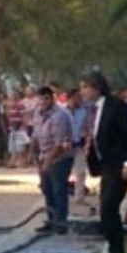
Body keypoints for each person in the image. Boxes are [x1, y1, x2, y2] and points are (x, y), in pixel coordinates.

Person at [81, 71, 127, 253]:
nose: (82, 91)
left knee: (109, 207)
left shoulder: (116, 106)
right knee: (105, 210)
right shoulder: (93, 110)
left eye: (85, 87)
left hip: (121, 165)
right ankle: (113, 251)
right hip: (107, 165)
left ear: (96, 87)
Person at [33, 86, 75, 234]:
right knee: (47, 189)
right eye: (41, 98)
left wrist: (48, 162)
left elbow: (59, 143)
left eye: (46, 98)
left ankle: (61, 222)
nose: (43, 101)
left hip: (60, 157)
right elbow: (35, 136)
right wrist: (36, 157)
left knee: (59, 189)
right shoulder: (37, 114)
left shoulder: (60, 115)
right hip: (44, 155)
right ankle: (51, 220)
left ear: (52, 98)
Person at [66, 88, 91, 205]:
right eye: (77, 97)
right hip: (64, 145)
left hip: (78, 144)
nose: (79, 99)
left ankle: (79, 197)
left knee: (80, 171)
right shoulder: (62, 111)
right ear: (70, 98)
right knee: (64, 171)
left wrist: (87, 143)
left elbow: (87, 128)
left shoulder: (83, 111)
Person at [6, 92, 27, 168]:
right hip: (12, 128)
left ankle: (21, 161)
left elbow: (24, 116)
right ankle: (13, 161)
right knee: (12, 145)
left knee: (20, 145)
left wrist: (23, 126)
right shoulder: (11, 107)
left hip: (19, 127)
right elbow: (9, 117)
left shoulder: (21, 106)